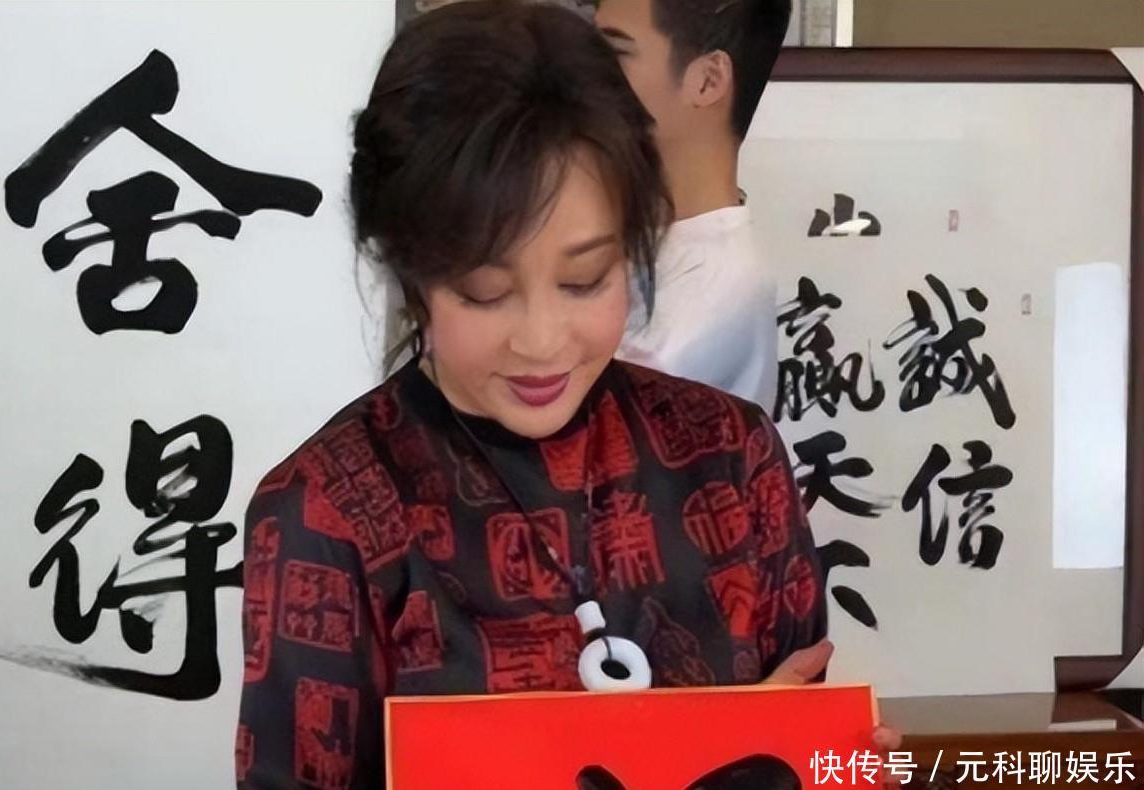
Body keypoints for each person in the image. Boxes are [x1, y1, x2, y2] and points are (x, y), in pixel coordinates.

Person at [236, 2, 838, 787]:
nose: (543, 340)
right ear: (411, 272)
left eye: (585, 279)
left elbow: (816, 747)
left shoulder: (731, 456)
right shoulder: (329, 513)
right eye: (486, 293)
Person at [596, 0, 790, 409]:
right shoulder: (633, 234)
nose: (585, 73)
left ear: (707, 81)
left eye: (615, 52)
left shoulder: (714, 292)